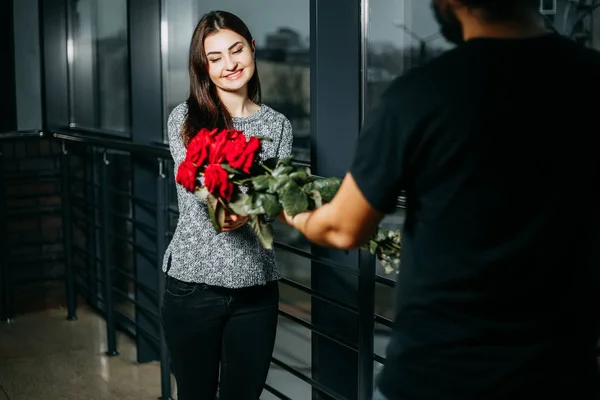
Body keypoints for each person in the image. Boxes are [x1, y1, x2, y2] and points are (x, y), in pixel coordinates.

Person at [280, 0, 600, 398]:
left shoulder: (420, 93)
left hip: (437, 375)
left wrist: (293, 213)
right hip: (563, 375)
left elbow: (344, 228)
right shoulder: (592, 79)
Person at [160, 10, 293, 400]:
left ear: (252, 49)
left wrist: (257, 208)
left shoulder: (278, 125)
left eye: (236, 50)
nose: (229, 64)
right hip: (191, 287)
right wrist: (234, 205)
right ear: (204, 66)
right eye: (215, 58)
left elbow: (274, 199)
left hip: (256, 289)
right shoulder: (185, 118)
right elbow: (200, 189)